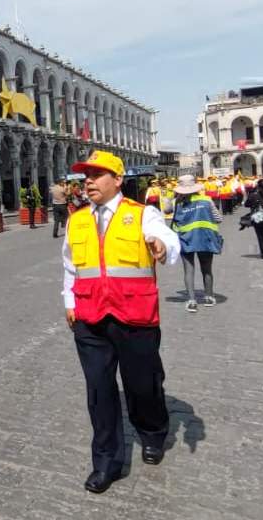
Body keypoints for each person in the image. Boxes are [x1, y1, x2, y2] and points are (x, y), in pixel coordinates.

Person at [61, 150, 180, 494]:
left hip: (134, 317)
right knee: (99, 391)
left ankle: (153, 432)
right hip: (90, 317)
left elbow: (169, 241)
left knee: (143, 385)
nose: (88, 181)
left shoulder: (143, 214)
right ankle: (106, 462)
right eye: (86, 175)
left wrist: (160, 246)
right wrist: (70, 302)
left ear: (117, 180)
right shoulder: (77, 219)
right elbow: (70, 266)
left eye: (97, 175)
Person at [171, 175, 223, 313]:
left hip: (186, 239)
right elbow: (219, 219)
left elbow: (167, 212)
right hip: (205, 238)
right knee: (207, 269)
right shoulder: (207, 200)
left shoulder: (177, 203)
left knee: (188, 270)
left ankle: (191, 301)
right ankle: (209, 297)